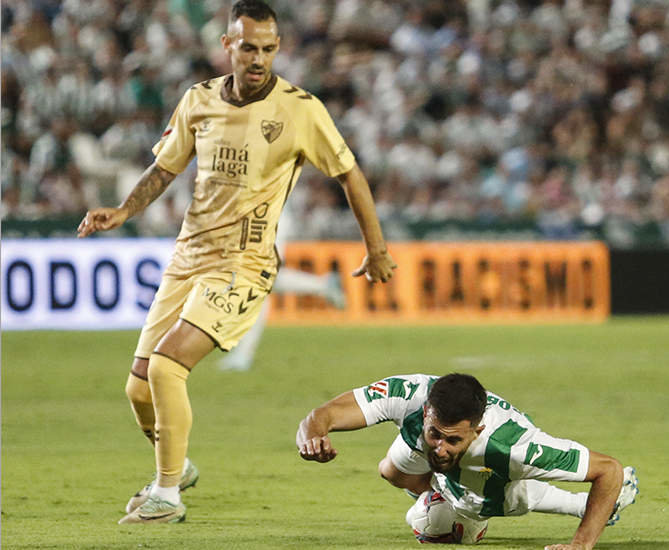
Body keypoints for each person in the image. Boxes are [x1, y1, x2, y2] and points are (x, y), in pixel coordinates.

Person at [76, 0, 396, 524]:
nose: (259, 59)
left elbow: (349, 174)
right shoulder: (198, 100)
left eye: (269, 49)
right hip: (188, 257)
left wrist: (376, 248)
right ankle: (176, 465)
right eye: (249, 47)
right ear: (227, 45)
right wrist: (123, 211)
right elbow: (164, 169)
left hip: (243, 263)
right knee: (138, 387)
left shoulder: (300, 109)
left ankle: (167, 494)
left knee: (166, 365)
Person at [297, 373, 639, 549]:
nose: (441, 448)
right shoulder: (410, 395)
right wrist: (313, 437)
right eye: (435, 434)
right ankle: (449, 498)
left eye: (453, 439)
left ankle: (584, 505)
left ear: (477, 429)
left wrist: (581, 544)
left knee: (480, 502)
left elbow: (609, 469)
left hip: (495, 470)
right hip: (462, 463)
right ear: (427, 411)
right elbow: (323, 414)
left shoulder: (514, 447)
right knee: (390, 470)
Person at [218, 267, 345, 371]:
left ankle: (243, 354)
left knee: (258, 279)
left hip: (266, 236)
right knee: (260, 278)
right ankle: (322, 284)